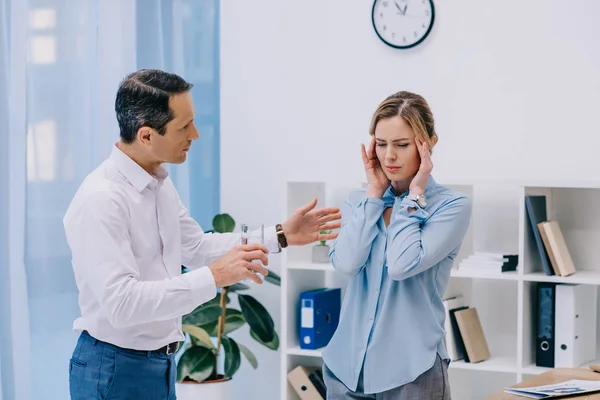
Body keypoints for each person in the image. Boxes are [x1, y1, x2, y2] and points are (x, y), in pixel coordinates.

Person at [63, 69, 341, 400]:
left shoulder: (159, 184)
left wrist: (281, 235)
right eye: (184, 126)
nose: (195, 134)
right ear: (147, 135)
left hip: (159, 363)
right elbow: (122, 304)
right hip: (113, 369)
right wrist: (213, 277)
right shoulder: (102, 199)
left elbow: (195, 246)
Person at [321, 91, 472, 399]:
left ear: (427, 143)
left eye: (402, 145)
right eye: (381, 143)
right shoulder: (360, 201)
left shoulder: (451, 207)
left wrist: (413, 196)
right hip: (345, 371)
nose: (388, 155)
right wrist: (375, 194)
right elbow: (346, 263)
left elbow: (403, 265)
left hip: (410, 374)